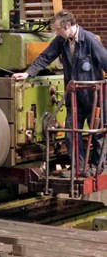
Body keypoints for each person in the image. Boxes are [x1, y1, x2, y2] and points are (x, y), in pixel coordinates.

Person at [12, 10, 107, 175]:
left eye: (58, 29)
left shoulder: (90, 40)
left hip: (93, 97)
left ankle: (96, 168)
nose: (56, 32)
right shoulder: (61, 41)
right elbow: (45, 57)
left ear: (68, 26)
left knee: (98, 133)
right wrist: (28, 73)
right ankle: (79, 168)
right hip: (75, 98)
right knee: (71, 133)